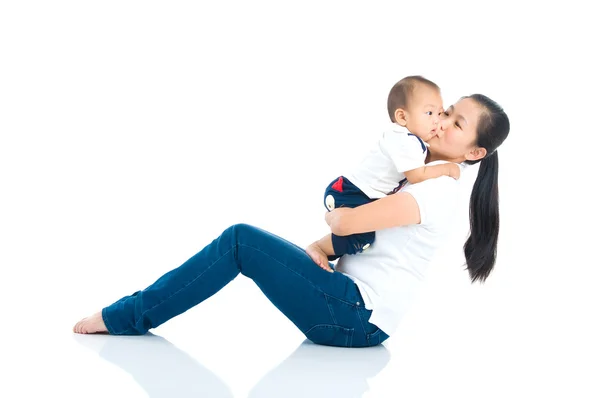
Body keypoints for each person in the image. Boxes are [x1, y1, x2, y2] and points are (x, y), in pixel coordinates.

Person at [73, 93, 510, 348]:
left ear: (474, 153)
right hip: (351, 308)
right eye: (446, 111)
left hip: (355, 315)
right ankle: (128, 314)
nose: (442, 123)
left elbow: (347, 225)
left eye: (457, 123)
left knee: (239, 241)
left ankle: (124, 316)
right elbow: (359, 236)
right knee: (242, 241)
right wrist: (320, 248)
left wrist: (334, 217)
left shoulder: (435, 190)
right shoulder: (418, 175)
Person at [311, 76, 460, 267]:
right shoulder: (404, 140)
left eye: (440, 113)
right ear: (402, 117)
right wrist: (446, 168)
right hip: (352, 191)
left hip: (358, 191)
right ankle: (320, 247)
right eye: (429, 113)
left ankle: (326, 244)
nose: (437, 121)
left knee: (360, 233)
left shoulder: (413, 141)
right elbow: (417, 176)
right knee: (363, 236)